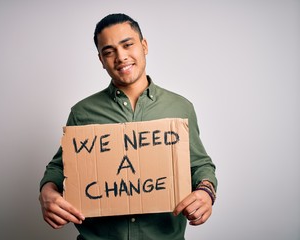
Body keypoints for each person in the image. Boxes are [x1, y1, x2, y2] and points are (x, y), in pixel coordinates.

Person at [39, 13, 217, 240]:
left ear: (144, 46)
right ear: (101, 60)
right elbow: (59, 168)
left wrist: (206, 191)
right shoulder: (82, 113)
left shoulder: (180, 108)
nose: (120, 57)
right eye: (109, 51)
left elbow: (200, 164)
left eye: (127, 45)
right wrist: (47, 192)